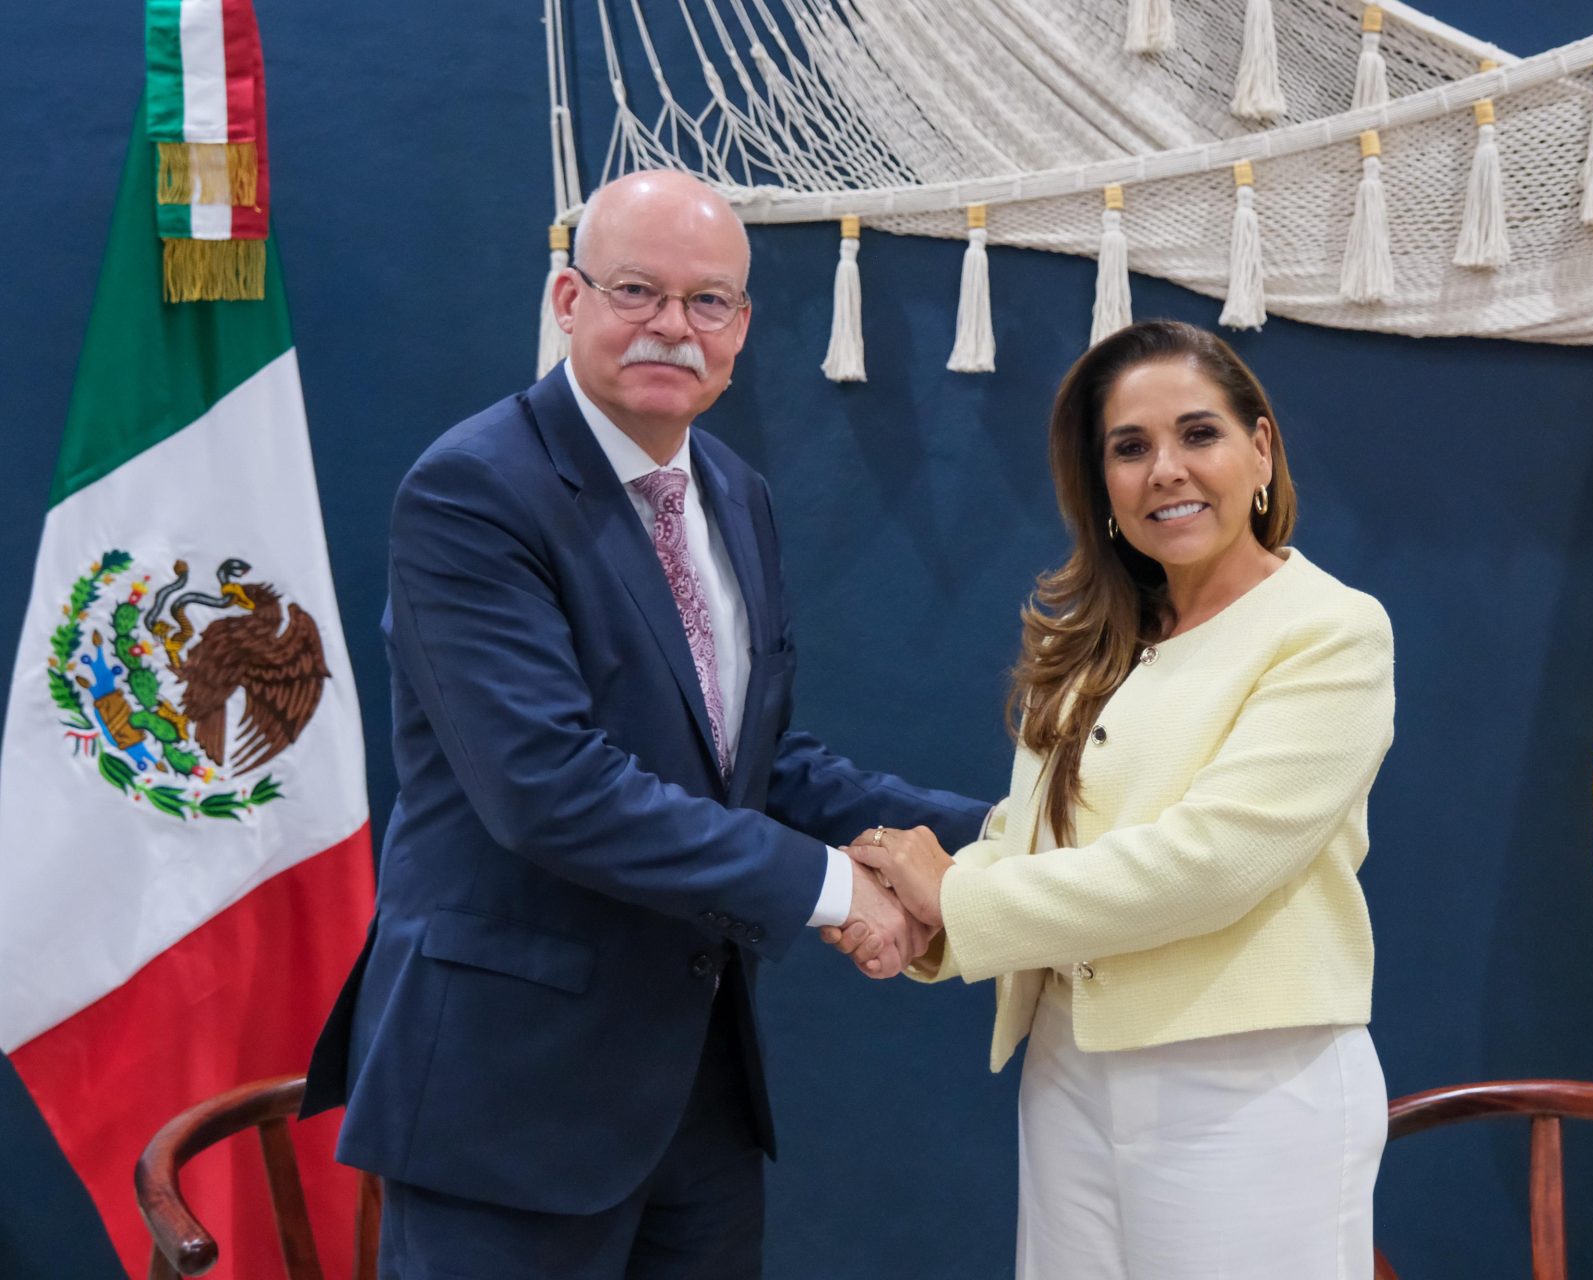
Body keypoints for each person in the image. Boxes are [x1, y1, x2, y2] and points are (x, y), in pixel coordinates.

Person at [301, 170, 986, 1280]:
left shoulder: (734, 492)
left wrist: (1004, 831)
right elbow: (550, 787)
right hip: (508, 1099)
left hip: (700, 1097)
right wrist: (833, 886)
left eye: (708, 302)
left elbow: (753, 764)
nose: (674, 326)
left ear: (742, 327)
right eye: (637, 290)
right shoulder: (472, 490)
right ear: (568, 300)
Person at [830, 320, 1396, 1279]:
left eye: (1198, 434)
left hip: (1244, 1091)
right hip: (1067, 1071)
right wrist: (930, 930)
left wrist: (952, 896)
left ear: (1261, 449)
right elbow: (1031, 840)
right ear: (1100, 486)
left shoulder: (1332, 631)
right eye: (1129, 449)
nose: (1164, 469)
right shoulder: (1099, 642)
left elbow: (1210, 867)